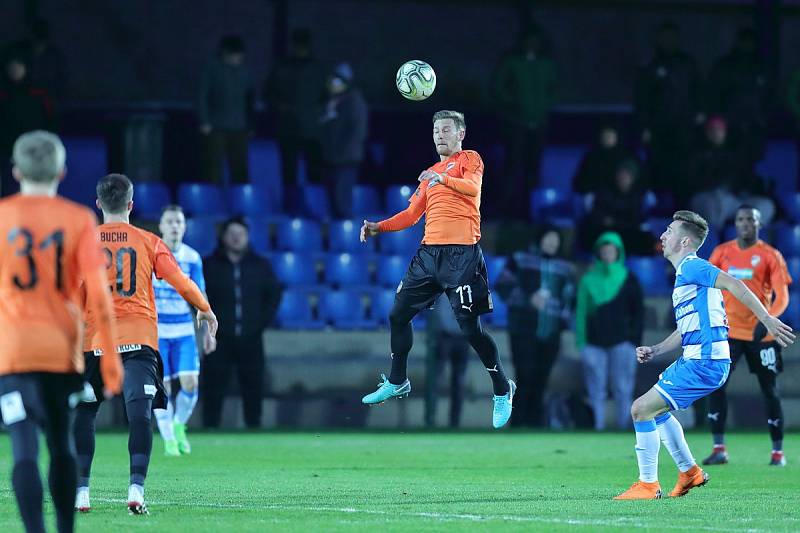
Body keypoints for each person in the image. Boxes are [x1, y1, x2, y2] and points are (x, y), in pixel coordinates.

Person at [614, 210, 794, 500]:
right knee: (656, 412)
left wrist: (767, 319)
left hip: (705, 362)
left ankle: (648, 485)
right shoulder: (687, 273)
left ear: (685, 241)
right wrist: (657, 349)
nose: (662, 235)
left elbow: (735, 284)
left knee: (640, 409)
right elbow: (687, 327)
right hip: (696, 358)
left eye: (669, 231)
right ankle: (689, 473)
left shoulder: (692, 267)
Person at [360, 110, 515, 429]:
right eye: (435, 130)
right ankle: (397, 380)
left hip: (462, 254)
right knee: (397, 314)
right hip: (429, 254)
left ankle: (502, 388)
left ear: (460, 134)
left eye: (446, 129)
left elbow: (472, 189)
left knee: (470, 329)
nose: (440, 135)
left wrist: (442, 178)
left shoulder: (469, 159)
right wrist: (379, 227)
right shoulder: (430, 173)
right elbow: (411, 215)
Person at [73, 174, 218, 515]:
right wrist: (206, 310)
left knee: (85, 413)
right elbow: (182, 281)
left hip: (93, 341)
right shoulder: (149, 241)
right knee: (139, 416)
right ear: (131, 205)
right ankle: (136, 490)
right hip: (138, 340)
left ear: (98, 204)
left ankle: (82, 492)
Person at [0, 131, 122, 533]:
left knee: (23, 448)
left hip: (13, 354)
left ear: (16, 171)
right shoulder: (78, 219)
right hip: (61, 352)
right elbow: (100, 298)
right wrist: (111, 368)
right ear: (62, 171)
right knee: (61, 445)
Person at [702, 206, 792, 467]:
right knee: (716, 386)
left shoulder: (770, 255)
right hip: (727, 332)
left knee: (770, 390)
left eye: (750, 220)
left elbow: (782, 295)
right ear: (735, 223)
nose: (745, 224)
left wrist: (768, 320)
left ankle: (777, 452)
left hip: (760, 334)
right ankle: (719, 449)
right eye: (740, 219)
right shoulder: (722, 252)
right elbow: (707, 286)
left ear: (759, 224)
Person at [201, 217, 282, 428]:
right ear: (223, 237)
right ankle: (210, 426)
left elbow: (273, 295)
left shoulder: (260, 265)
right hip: (219, 337)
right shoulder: (209, 265)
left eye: (241, 234)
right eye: (232, 234)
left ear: (247, 237)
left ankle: (253, 426)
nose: (236, 238)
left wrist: (260, 323)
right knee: (213, 385)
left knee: (254, 385)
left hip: (251, 337)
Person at [494, 227, 575, 427]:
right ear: (539, 239)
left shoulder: (565, 268)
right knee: (525, 376)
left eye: (555, 240)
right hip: (522, 330)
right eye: (548, 238)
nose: (551, 243)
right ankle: (518, 422)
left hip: (551, 332)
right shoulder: (520, 259)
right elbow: (503, 285)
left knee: (541, 378)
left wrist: (561, 316)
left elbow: (571, 297)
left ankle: (536, 424)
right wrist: (528, 299)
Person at [153, 205, 214, 456]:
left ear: (184, 226)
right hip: (157, 331)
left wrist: (208, 331)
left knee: (190, 382)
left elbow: (200, 293)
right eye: (170, 221)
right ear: (161, 225)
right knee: (163, 387)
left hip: (184, 330)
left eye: (179, 221)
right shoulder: (151, 253)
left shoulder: (192, 257)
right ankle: (168, 440)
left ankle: (178, 426)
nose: (175, 226)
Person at [576, 231, 644, 431]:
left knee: (623, 389)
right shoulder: (588, 280)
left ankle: (624, 428)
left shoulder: (630, 279)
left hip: (623, 343)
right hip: (594, 345)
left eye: (611, 250)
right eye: (603, 250)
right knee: (596, 390)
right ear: (598, 253)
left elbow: (638, 314)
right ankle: (598, 428)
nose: (607, 253)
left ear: (618, 252)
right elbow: (580, 314)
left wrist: (634, 342)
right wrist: (582, 344)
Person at [489, 27, 557, 220]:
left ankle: (532, 212)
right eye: (529, 41)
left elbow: (555, 88)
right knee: (512, 167)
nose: (532, 45)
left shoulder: (547, 64)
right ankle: (507, 211)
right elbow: (498, 87)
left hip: (539, 123)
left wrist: (544, 107)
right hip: (516, 124)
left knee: (533, 169)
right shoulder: (512, 62)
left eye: (536, 41)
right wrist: (513, 104)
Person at [634, 21, 704, 203]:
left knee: (683, 168)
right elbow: (641, 99)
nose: (668, 41)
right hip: (658, 129)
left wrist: (699, 113)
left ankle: (682, 206)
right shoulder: (650, 66)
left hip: (684, 128)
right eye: (664, 37)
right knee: (658, 167)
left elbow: (699, 90)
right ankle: (659, 205)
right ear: (658, 40)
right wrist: (644, 127)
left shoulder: (687, 64)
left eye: (672, 37)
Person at [264, 28, 326, 212]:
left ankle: (312, 207)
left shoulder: (316, 69)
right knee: (290, 173)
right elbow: (269, 95)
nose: (300, 49)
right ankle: (292, 207)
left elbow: (326, 98)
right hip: (291, 128)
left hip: (309, 129)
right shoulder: (284, 67)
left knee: (312, 172)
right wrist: (282, 108)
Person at [688, 116, 774, 228]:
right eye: (712, 130)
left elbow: (745, 180)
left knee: (765, 205)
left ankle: (744, 238)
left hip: (733, 200)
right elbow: (692, 183)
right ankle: (716, 239)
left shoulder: (734, 154)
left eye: (719, 129)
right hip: (706, 198)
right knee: (717, 201)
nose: (716, 133)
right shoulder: (695, 154)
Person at [705, 27, 772, 168]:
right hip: (730, 125)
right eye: (744, 42)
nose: (747, 46)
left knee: (751, 162)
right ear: (737, 43)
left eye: (750, 42)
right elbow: (713, 95)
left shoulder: (761, 68)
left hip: (754, 125)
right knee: (728, 160)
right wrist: (719, 119)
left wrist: (763, 118)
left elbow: (769, 96)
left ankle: (748, 188)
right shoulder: (724, 66)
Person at [197, 35, 254, 184]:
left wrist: (250, 124)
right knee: (213, 169)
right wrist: (204, 121)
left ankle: (241, 202)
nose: (238, 58)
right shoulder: (211, 68)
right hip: (216, 126)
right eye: (235, 55)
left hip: (239, 126)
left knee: (240, 167)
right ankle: (212, 201)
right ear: (225, 53)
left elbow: (249, 98)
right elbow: (201, 95)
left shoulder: (244, 71)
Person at [0, 54, 57, 197]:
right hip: (7, 152)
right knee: (9, 190)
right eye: (11, 67)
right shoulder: (3, 93)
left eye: (17, 66)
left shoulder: (39, 93)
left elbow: (51, 120)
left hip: (38, 150)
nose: (14, 70)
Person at [319, 62, 368, 219]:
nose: (332, 85)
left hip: (346, 159)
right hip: (332, 158)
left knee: (342, 201)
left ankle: (345, 235)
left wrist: (341, 152)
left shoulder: (354, 102)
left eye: (337, 82)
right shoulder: (330, 102)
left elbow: (357, 132)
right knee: (332, 201)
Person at [580, 158, 656, 255]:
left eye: (627, 175)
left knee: (645, 239)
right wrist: (606, 220)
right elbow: (597, 212)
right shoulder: (605, 191)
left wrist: (617, 221)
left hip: (628, 231)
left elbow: (637, 218)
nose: (623, 178)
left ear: (633, 178)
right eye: (621, 174)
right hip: (607, 229)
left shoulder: (638, 195)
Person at [424, 294, 471, 428]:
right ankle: (430, 419)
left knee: (458, 382)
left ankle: (454, 423)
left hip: (462, 336)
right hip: (443, 336)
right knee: (435, 380)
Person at [573, 124, 634, 196]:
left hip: (623, 199)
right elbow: (579, 182)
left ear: (616, 137)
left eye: (610, 136)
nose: (607, 139)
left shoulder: (626, 156)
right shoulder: (591, 157)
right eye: (604, 136)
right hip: (597, 199)